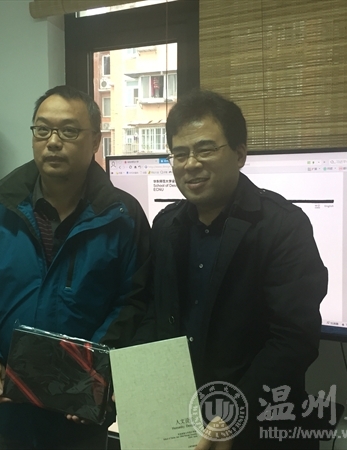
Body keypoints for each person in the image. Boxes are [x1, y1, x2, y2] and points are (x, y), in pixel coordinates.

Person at [0, 85, 150, 449]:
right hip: (9, 411)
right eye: (42, 130)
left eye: (68, 131)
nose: (53, 142)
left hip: (81, 414)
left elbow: (136, 301)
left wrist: (94, 367)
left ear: (95, 140)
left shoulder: (122, 216)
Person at [132, 90, 328, 449]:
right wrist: (138, 385)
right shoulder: (166, 225)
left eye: (205, 149)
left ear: (239, 154)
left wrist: (235, 411)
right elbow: (153, 314)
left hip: (258, 423)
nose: (191, 164)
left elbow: (294, 339)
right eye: (179, 153)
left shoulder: (282, 226)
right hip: (179, 420)